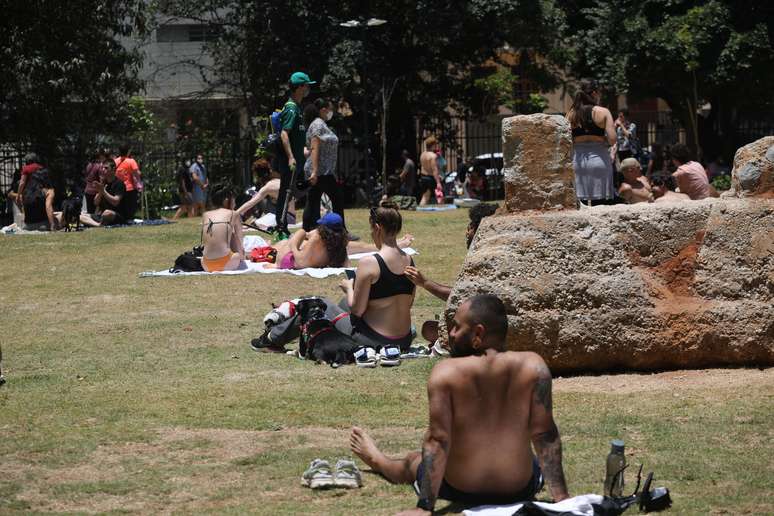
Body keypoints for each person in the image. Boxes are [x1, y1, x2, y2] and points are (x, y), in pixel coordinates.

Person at [349, 295, 570, 513]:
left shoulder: (447, 373)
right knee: (523, 452)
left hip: (460, 488)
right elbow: (545, 435)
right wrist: (562, 500)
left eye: (456, 327)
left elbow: (438, 440)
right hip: (518, 489)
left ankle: (378, 460)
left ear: (478, 333)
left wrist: (424, 508)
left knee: (412, 461)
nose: (451, 334)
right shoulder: (533, 366)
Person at [340, 203, 417, 363]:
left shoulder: (369, 262)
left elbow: (357, 310)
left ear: (377, 228)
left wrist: (348, 288)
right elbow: (409, 303)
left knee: (330, 310)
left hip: (375, 340)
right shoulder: (410, 260)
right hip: (404, 339)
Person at [566, 79, 617, 206]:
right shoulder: (604, 112)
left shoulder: (570, 114)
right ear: (594, 93)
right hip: (599, 160)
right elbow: (612, 139)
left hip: (577, 162)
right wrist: (600, 138)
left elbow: (566, 141)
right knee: (600, 206)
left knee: (579, 205)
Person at [275, 71, 315, 232]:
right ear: (299, 87)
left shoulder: (297, 108)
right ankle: (281, 227)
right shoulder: (291, 108)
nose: (308, 89)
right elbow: (285, 133)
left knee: (290, 193)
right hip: (290, 163)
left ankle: (282, 225)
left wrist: (304, 151)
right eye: (306, 86)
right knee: (286, 194)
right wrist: (291, 157)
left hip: (298, 160)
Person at [302, 98, 344, 231]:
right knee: (337, 198)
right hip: (320, 171)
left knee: (313, 200)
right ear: (323, 110)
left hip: (322, 170)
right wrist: (314, 171)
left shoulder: (319, 124)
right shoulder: (318, 124)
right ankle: (340, 230)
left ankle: (308, 229)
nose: (331, 112)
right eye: (330, 109)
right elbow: (315, 147)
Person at [199, 181, 245, 272]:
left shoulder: (205, 215)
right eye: (234, 200)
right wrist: (242, 256)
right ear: (226, 201)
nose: (235, 204)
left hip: (205, 264)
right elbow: (240, 240)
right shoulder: (233, 214)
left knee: (228, 234)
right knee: (234, 237)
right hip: (228, 262)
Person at [237, 158, 296, 223]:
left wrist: (235, 213)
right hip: (291, 217)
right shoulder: (278, 180)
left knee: (258, 201)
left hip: (286, 218)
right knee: (259, 197)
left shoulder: (268, 187)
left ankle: (251, 218)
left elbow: (250, 203)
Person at [80, 159, 134, 227]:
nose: (103, 170)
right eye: (102, 168)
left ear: (113, 169)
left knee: (107, 213)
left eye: (106, 168)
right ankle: (98, 225)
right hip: (102, 215)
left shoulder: (119, 183)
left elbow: (115, 202)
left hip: (116, 215)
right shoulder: (104, 183)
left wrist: (103, 191)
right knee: (81, 215)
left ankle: (97, 223)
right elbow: (96, 202)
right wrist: (100, 190)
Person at [114, 144, 141, 219]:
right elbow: (137, 174)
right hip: (129, 188)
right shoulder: (131, 161)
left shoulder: (115, 161)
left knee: (120, 208)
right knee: (130, 207)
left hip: (118, 188)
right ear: (128, 152)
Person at [418, 136, 442, 206]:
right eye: (435, 144)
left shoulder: (422, 154)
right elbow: (434, 169)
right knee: (439, 194)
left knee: (425, 196)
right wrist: (438, 182)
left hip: (423, 177)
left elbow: (423, 166)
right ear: (433, 145)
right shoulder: (433, 156)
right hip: (430, 178)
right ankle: (442, 208)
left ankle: (420, 209)